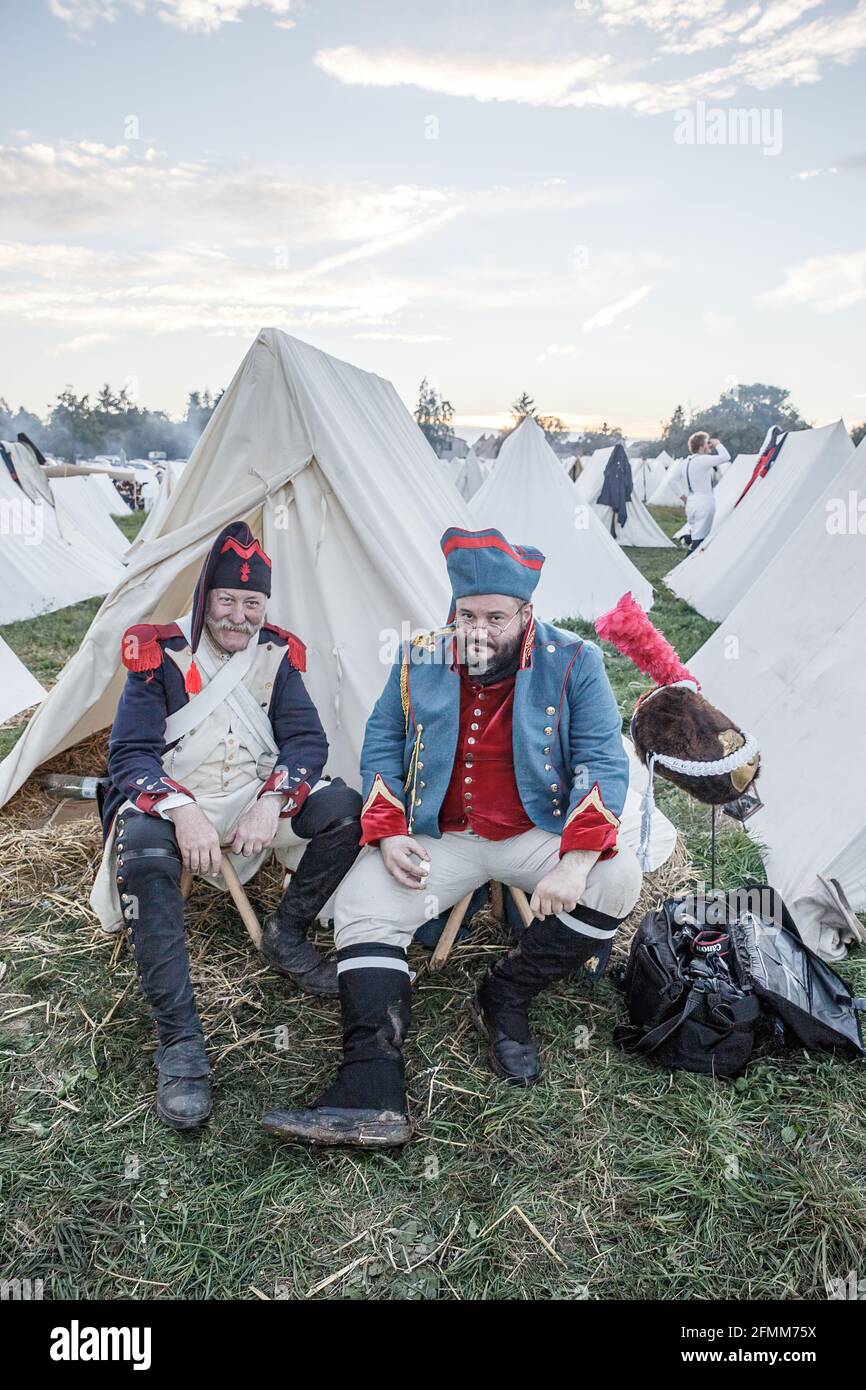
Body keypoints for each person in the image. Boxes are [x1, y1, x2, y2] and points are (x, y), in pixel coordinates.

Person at [262, 526, 643, 1149]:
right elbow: (382, 744)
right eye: (468, 615)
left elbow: (601, 761)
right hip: (442, 834)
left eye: (497, 616)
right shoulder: (420, 655)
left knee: (616, 877)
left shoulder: (574, 659)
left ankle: (505, 994)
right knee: (361, 906)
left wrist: (574, 864)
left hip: (535, 830)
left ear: (526, 612)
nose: (480, 629)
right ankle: (372, 1083)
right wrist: (386, 835)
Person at [91, 521, 362, 1130]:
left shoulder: (278, 654)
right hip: (176, 798)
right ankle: (181, 1043)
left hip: (251, 795)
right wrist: (180, 808)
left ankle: (287, 934)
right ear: (205, 598)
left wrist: (271, 802)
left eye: (252, 603)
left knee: (347, 812)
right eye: (227, 601)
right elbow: (130, 754)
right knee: (146, 856)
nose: (239, 617)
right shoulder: (157, 650)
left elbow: (305, 741)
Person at [679, 432, 730, 551]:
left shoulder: (686, 462)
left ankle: (686, 539)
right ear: (702, 447)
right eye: (707, 443)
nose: (710, 445)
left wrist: (682, 497)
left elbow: (672, 481)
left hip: (691, 502)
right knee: (700, 541)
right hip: (704, 503)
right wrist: (718, 444)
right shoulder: (703, 460)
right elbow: (726, 457)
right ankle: (687, 567)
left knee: (695, 534)